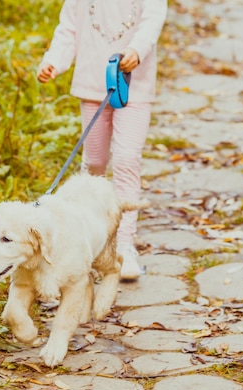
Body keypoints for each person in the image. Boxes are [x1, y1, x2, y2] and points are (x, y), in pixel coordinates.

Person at [37, 0, 168, 280]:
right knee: (94, 162)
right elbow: (68, 28)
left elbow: (152, 19)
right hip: (92, 84)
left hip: (133, 86)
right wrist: (53, 62)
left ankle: (123, 246)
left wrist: (137, 48)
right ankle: (91, 239)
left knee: (126, 159)